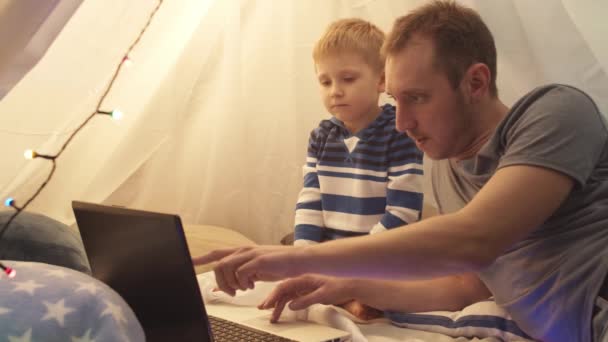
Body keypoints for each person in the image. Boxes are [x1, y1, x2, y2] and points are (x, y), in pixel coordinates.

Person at [193, 1, 608, 341]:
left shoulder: (556, 112)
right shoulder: (446, 167)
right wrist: (350, 284)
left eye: (417, 98)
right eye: (395, 98)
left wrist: (296, 258)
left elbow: (475, 239)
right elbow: (466, 283)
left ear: (476, 83)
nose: (400, 122)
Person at [293, 18, 423, 247]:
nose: (335, 91)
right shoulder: (320, 137)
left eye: (348, 79)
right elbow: (310, 203)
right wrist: (304, 255)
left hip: (382, 256)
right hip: (331, 257)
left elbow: (404, 211)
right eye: (325, 82)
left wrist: (356, 258)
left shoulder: (398, 132)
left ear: (382, 80)